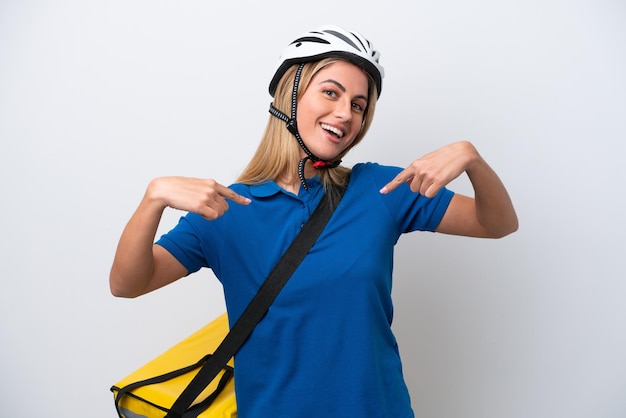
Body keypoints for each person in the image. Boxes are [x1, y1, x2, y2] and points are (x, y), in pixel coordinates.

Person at [110, 24, 518, 418]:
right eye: (331, 93)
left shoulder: (381, 190)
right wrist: (153, 199)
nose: (345, 114)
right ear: (290, 97)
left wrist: (472, 159)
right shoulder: (226, 209)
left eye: (358, 105)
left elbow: (497, 223)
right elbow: (127, 284)